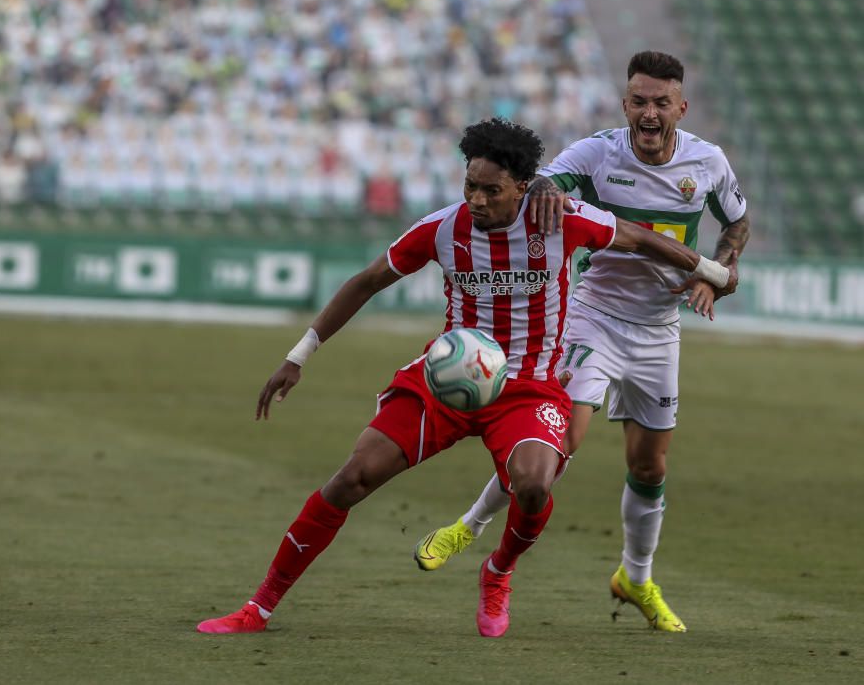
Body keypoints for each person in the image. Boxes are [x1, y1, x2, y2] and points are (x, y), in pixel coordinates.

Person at [195, 117, 736, 638]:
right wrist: (299, 354)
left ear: (523, 187)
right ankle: (257, 607)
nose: (476, 200)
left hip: (527, 387)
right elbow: (366, 282)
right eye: (470, 186)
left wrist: (713, 272)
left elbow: (640, 238)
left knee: (532, 484)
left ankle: (498, 571)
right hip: (444, 381)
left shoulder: (562, 219)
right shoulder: (442, 228)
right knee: (350, 479)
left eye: (491, 190)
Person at [413, 52, 751, 633]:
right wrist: (546, 187)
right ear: (625, 105)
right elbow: (546, 180)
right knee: (558, 441)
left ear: (680, 108)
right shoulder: (599, 152)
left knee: (650, 466)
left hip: (659, 328)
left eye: (660, 103)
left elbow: (738, 223)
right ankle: (468, 528)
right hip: (590, 316)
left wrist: (715, 267)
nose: (649, 112)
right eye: (638, 101)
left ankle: (636, 578)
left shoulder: (709, 162)